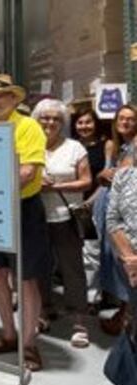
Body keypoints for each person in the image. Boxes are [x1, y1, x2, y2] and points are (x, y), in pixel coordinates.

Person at [0, 75, 50, 371]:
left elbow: (28, 172)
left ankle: (29, 343)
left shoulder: (28, 127)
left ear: (14, 99)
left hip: (22, 209)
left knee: (26, 279)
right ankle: (9, 333)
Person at [33, 99, 92, 347]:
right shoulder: (29, 146)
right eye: (45, 117)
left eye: (56, 119)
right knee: (38, 269)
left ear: (63, 122)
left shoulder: (75, 148)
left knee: (72, 269)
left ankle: (79, 321)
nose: (50, 123)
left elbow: (86, 181)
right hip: (35, 217)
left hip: (66, 217)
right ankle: (43, 312)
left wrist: (54, 187)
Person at [98, 105, 137, 335]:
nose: (125, 122)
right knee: (119, 267)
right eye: (121, 118)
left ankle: (126, 318)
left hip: (128, 223)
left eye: (131, 119)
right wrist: (102, 176)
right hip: (114, 222)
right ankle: (125, 315)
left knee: (127, 268)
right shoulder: (118, 148)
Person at [71, 108, 108, 312]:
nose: (84, 126)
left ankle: (93, 298)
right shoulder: (72, 146)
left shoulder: (106, 145)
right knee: (74, 252)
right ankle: (78, 293)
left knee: (91, 252)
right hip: (72, 205)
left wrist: (90, 203)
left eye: (88, 122)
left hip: (93, 206)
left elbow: (106, 179)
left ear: (96, 123)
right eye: (80, 122)